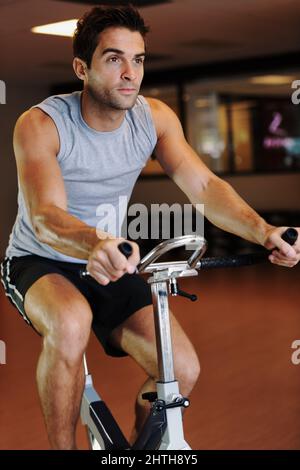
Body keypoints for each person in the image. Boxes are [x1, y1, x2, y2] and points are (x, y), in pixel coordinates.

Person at [1, 5, 299, 450]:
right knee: (71, 323)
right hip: (39, 259)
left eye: (138, 59)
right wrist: (95, 242)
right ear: (82, 67)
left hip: (113, 259)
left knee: (182, 368)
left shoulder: (153, 118)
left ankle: (144, 448)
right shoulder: (41, 124)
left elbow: (204, 185)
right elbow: (45, 216)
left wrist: (263, 231)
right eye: (114, 58)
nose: (130, 73)